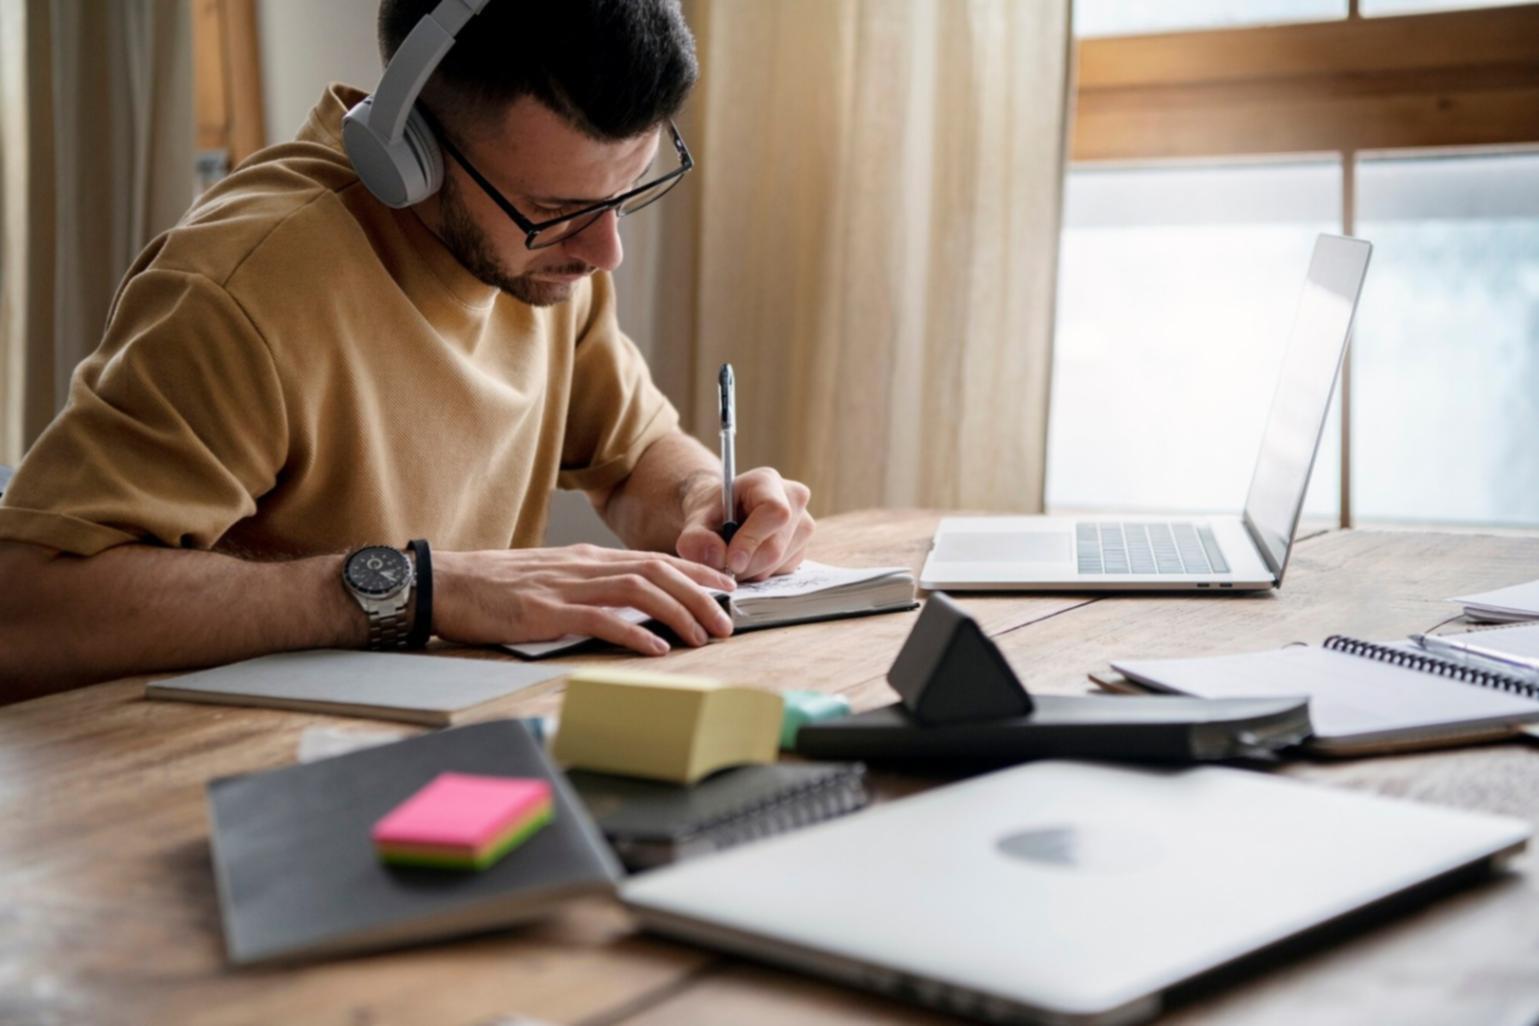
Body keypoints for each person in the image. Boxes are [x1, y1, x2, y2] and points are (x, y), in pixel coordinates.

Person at [0, 0, 814, 695]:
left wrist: (702, 503)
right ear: (409, 155)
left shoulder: (545, 259)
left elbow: (634, 456)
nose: (606, 253)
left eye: (626, 192)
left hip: (439, 735)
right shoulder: (241, 289)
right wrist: (418, 587)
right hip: (193, 783)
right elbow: (26, 611)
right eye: (559, 209)